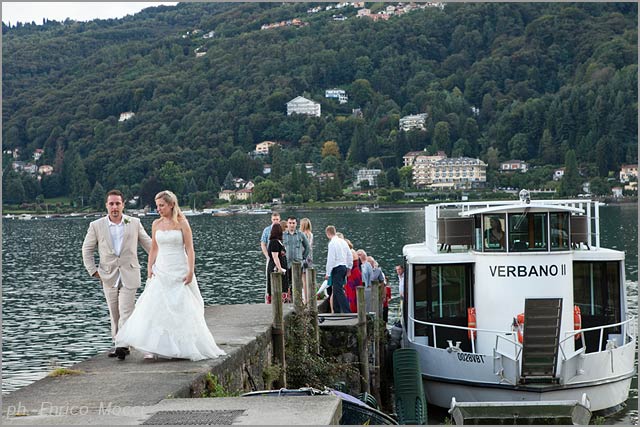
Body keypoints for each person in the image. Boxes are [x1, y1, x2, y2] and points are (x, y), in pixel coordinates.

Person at [114, 190, 226, 361]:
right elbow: (154, 248)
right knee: (156, 307)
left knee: (182, 308)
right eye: (157, 205)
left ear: (171, 204)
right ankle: (154, 347)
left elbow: (189, 249)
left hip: (179, 268)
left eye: (161, 205)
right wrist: (150, 267)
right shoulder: (156, 224)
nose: (158, 208)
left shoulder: (182, 223)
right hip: (161, 269)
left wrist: (190, 270)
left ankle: (183, 346)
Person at [82, 189, 152, 359]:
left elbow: (149, 244)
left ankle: (120, 345)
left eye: (117, 204)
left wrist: (162, 260)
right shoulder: (96, 225)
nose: (114, 207)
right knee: (114, 313)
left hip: (130, 272)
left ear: (123, 205)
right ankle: (122, 343)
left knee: (126, 309)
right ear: (107, 205)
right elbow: (87, 249)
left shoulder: (134, 223)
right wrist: (93, 271)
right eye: (111, 204)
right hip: (108, 276)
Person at [324, 225, 351, 313]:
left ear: (328, 234)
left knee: (338, 290)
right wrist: (349, 268)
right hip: (344, 267)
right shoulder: (343, 242)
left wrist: (328, 273)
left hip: (337, 268)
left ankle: (347, 311)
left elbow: (331, 259)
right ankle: (336, 310)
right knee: (335, 289)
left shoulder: (332, 243)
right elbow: (349, 255)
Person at [283, 216, 310, 298]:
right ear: (287, 224)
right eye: (290, 223)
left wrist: (303, 257)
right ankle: (288, 300)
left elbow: (307, 247)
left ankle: (298, 301)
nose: (291, 225)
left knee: (297, 283)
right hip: (287, 263)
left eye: (293, 223)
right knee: (287, 284)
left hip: (298, 263)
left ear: (296, 224)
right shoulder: (283, 235)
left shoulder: (300, 235)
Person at [260, 212, 281, 302]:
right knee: (269, 277)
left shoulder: (282, 228)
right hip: (271, 257)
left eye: (277, 219)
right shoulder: (267, 230)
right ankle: (268, 298)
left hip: (280, 256)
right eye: (274, 219)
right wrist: (267, 256)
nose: (275, 221)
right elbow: (263, 243)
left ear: (279, 219)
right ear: (271, 220)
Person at [266, 223, 289, 304]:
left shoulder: (279, 242)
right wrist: (280, 269)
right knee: (277, 287)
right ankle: (276, 303)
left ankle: (282, 302)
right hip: (276, 268)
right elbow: (275, 256)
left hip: (282, 267)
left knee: (283, 286)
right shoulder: (274, 242)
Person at [299, 218, 314, 303]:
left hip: (304, 257)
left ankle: (306, 299)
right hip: (310, 258)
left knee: (304, 280)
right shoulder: (311, 234)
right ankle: (310, 297)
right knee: (309, 279)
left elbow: (302, 247)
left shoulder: (302, 234)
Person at [344, 242, 361, 313]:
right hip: (356, 273)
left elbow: (348, 263)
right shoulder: (354, 251)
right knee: (355, 292)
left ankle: (352, 309)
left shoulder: (350, 252)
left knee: (351, 292)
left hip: (352, 274)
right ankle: (356, 308)